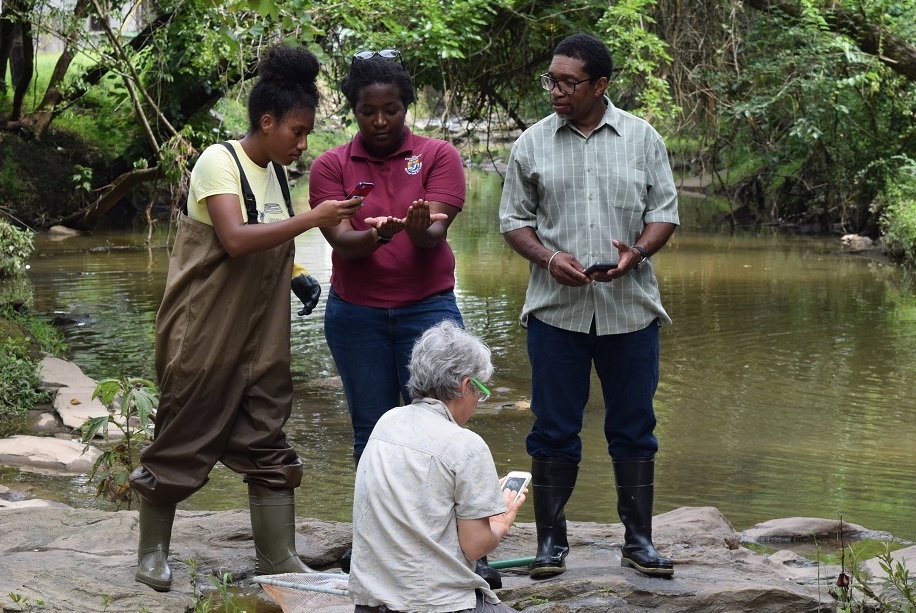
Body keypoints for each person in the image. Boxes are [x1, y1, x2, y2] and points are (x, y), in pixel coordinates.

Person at [128, 45, 363, 592]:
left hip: (260, 336)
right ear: (267, 121)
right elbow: (234, 240)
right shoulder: (219, 161)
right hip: (203, 332)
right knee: (182, 437)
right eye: (298, 132)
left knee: (267, 438)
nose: (304, 145)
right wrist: (313, 218)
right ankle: (151, 556)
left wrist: (296, 273)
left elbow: (266, 244)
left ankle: (278, 557)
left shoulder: (278, 177)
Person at [498, 33, 679, 579]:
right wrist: (550, 259)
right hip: (557, 312)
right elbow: (513, 222)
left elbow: (665, 211)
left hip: (630, 309)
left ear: (600, 85)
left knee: (634, 427)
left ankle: (639, 542)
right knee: (552, 429)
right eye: (551, 80)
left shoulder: (643, 138)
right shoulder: (531, 143)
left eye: (567, 82)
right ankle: (551, 542)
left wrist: (639, 252)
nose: (555, 90)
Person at [307, 49, 466, 463]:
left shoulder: (437, 155)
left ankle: (436, 524)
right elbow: (342, 242)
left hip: (428, 310)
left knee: (440, 426)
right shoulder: (331, 165)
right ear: (353, 110)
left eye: (391, 110)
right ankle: (375, 527)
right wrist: (377, 236)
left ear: (405, 106)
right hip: (357, 316)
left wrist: (415, 230)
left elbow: (434, 233)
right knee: (372, 428)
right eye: (367, 111)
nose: (380, 121)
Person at [349, 320, 525, 613]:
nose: (478, 402)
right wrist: (502, 519)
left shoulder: (386, 422)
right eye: (480, 392)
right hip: (435, 605)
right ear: (467, 385)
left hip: (370, 603)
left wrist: (479, 499)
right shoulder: (467, 444)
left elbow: (420, 504)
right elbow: (475, 546)